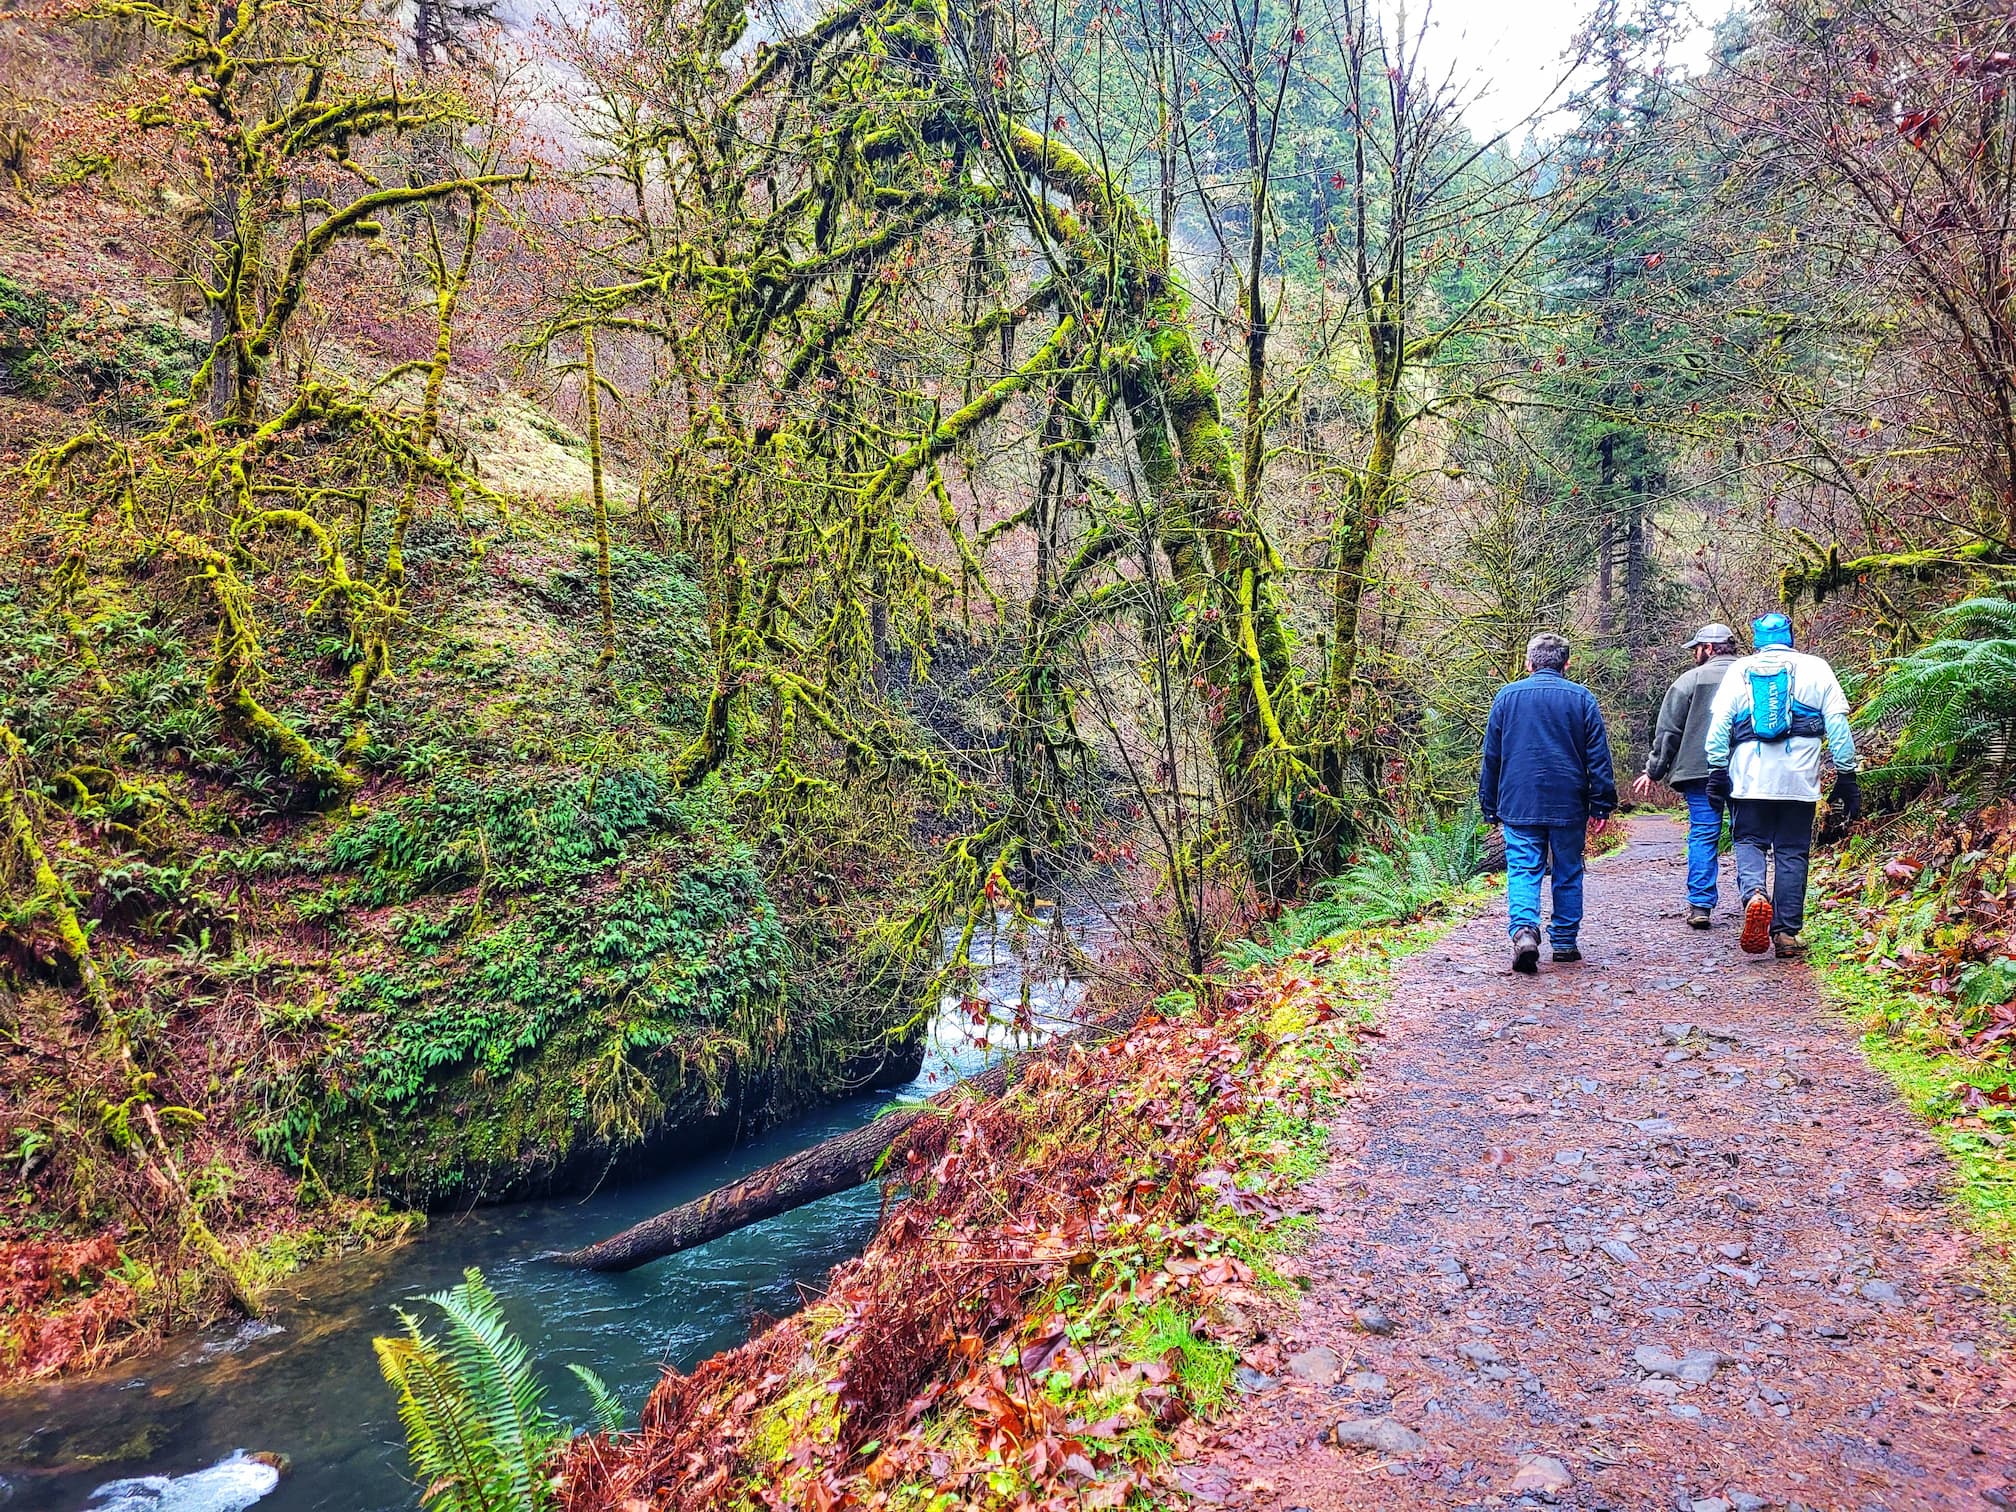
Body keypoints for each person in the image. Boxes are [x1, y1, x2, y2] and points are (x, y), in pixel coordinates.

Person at [1703, 612, 1862, 959]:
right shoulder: (1817, 667)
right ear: (1791, 636)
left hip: (1748, 778)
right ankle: (1787, 934)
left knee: (1748, 841)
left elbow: (1719, 727)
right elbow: (1837, 724)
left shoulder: (1739, 670)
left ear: (1756, 639)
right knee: (1792, 852)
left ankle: (1756, 895)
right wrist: (1847, 775)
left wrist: (1717, 769)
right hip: (1799, 780)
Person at [1478, 631, 1618, 974]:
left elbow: (1491, 756)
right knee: (1568, 869)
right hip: (1568, 802)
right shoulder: (1582, 698)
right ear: (1566, 663)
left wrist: (1489, 802)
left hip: (1518, 800)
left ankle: (1525, 931)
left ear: (1529, 663)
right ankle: (1566, 942)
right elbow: (1598, 757)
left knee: (1524, 868)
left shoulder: (1506, 697)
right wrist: (1602, 803)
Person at [1633, 624, 1742, 929]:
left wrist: (1654, 771)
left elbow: (1668, 732)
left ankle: (1701, 906)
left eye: (1697, 648)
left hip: (1699, 772)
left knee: (1703, 834)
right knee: (1746, 835)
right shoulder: (1751, 673)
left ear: (1708, 648)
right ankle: (1753, 895)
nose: (1694, 654)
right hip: (1748, 769)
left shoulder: (1689, 681)